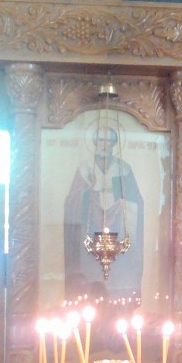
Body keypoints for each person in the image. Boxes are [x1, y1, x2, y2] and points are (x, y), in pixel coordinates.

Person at [64, 127, 144, 301]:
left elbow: (137, 202)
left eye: (109, 141)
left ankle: (120, 300)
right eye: (101, 140)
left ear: (114, 144)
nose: (105, 144)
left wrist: (121, 204)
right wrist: (88, 192)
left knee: (119, 282)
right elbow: (71, 202)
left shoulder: (124, 169)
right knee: (90, 280)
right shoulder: (85, 169)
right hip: (90, 231)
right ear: (95, 142)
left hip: (119, 231)